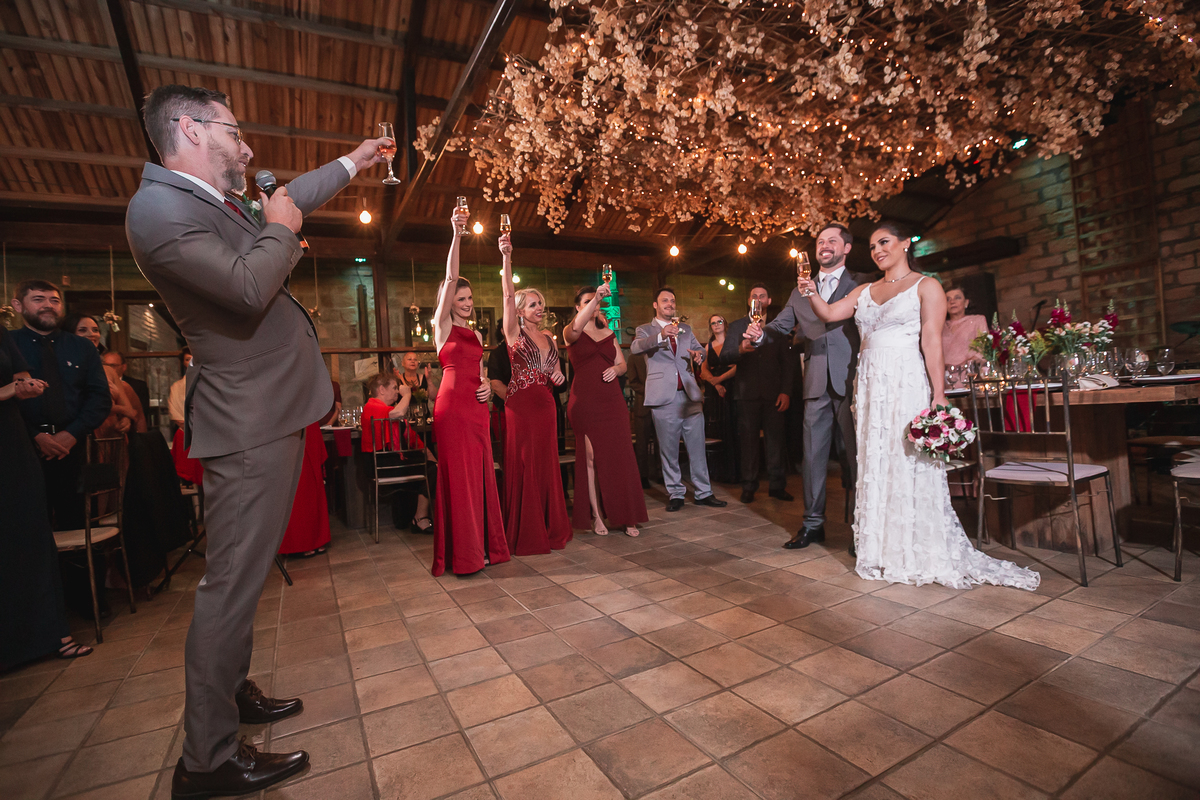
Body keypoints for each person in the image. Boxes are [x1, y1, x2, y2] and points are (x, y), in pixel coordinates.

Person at [125, 84, 391, 796]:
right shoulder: (156, 210)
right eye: (231, 127)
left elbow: (292, 195)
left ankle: (231, 690)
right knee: (229, 588)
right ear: (188, 127)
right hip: (245, 422)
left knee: (243, 581)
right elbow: (247, 287)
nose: (242, 139)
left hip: (268, 411)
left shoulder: (210, 201)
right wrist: (279, 227)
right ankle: (206, 761)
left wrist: (355, 162)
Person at [793, 221, 1039, 591]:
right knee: (875, 461)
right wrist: (810, 292)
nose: (878, 250)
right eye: (873, 246)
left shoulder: (927, 286)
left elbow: (931, 341)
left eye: (885, 242)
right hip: (870, 385)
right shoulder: (864, 289)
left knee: (908, 460)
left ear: (905, 244)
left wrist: (938, 393)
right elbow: (828, 315)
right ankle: (880, 548)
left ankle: (915, 546)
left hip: (905, 380)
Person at [743, 224, 863, 551]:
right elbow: (779, 327)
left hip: (851, 378)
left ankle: (859, 527)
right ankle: (812, 524)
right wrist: (759, 334)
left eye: (832, 241)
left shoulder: (861, 284)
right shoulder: (798, 292)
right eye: (820, 241)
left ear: (846, 248)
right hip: (813, 383)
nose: (825, 246)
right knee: (812, 458)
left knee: (854, 457)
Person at [0, 325, 93, 668]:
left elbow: (20, 378)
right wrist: (10, 390)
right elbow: (10, 386)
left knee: (31, 535)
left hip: (12, 443)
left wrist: (28, 386)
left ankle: (53, 636)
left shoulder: (1, 332)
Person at [431, 208, 510, 576]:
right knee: (458, 480)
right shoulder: (441, 326)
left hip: (477, 410)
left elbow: (479, 374)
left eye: (469, 298)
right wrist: (457, 234)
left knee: (480, 476)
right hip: (451, 409)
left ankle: (484, 547)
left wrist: (487, 390)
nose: (467, 302)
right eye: (460, 298)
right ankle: (462, 555)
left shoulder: (478, 335)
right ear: (449, 302)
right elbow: (449, 276)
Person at [12, 281, 112, 532]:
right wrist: (35, 435)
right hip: (21, 450)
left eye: (54, 300)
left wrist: (71, 435)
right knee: (27, 529)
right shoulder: (8, 345)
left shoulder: (82, 347)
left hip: (74, 449)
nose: (48, 305)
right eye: (38, 299)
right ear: (17, 306)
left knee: (78, 524)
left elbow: (100, 398)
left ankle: (82, 573)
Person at [499, 234, 573, 553]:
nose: (539, 307)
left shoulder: (549, 338)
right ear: (520, 309)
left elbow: (556, 374)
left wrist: (557, 375)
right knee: (525, 464)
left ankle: (548, 524)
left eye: (540, 303)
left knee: (545, 466)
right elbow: (506, 295)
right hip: (521, 405)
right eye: (533, 304)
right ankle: (525, 529)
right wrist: (507, 257)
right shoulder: (513, 332)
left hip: (546, 405)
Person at [631, 287, 727, 512]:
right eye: (665, 300)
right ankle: (676, 493)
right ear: (655, 305)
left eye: (672, 301)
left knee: (697, 447)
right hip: (663, 397)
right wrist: (661, 336)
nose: (670, 304)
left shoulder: (685, 328)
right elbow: (636, 347)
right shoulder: (645, 329)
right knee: (669, 449)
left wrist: (698, 354)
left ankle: (704, 492)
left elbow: (699, 350)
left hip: (690, 395)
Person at [565, 284, 648, 537]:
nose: (595, 303)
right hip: (586, 401)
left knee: (621, 456)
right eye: (588, 301)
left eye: (597, 300)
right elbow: (576, 329)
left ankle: (627, 516)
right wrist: (597, 297)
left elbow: (622, 364)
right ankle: (597, 515)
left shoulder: (608, 330)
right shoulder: (571, 331)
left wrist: (616, 370)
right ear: (578, 306)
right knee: (590, 458)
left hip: (612, 400)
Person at [721, 284, 795, 503]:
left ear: (769, 301)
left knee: (775, 442)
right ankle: (749, 486)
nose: (758, 299)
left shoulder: (778, 328)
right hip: (746, 394)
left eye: (763, 296)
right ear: (748, 300)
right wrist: (740, 350)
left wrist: (785, 391)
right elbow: (724, 356)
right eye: (754, 296)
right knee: (749, 444)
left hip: (774, 394)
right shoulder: (736, 327)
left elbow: (788, 364)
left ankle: (777, 485)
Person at [359, 371, 432, 533]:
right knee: (431, 470)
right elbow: (397, 414)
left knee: (432, 465)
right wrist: (407, 395)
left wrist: (431, 457)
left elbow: (414, 440)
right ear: (382, 390)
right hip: (381, 465)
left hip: (391, 462)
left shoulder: (386, 409)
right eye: (394, 388)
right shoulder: (371, 407)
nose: (397, 391)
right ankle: (420, 518)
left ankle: (416, 517)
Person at [699, 315, 738, 483]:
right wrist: (715, 384)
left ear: (725, 323)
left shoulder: (734, 342)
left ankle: (734, 472)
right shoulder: (707, 346)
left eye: (719, 321)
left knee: (733, 426)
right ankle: (717, 473)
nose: (716, 325)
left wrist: (720, 379)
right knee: (716, 429)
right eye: (713, 323)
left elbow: (739, 365)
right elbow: (703, 369)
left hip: (732, 386)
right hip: (714, 390)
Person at [942, 285, 988, 386]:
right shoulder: (939, 326)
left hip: (970, 376)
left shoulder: (977, 320)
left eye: (957, 298)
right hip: (944, 379)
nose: (952, 302)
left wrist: (968, 365)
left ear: (966, 303)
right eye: (948, 299)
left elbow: (983, 350)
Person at [624, 349, 655, 489]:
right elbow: (633, 381)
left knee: (662, 442)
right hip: (643, 405)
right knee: (642, 443)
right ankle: (643, 476)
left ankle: (660, 474)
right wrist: (650, 391)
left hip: (660, 405)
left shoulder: (657, 353)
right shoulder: (633, 358)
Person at [102, 350, 152, 424]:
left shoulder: (138, 385)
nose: (109, 369)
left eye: (113, 366)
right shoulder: (98, 384)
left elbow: (141, 413)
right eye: (105, 365)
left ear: (124, 367)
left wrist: (127, 417)